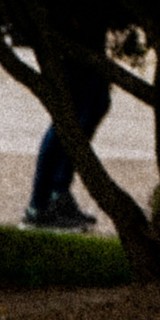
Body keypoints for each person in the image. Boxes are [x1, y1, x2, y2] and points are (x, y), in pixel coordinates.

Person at [22, 51, 113, 234]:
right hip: (70, 46)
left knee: (94, 105)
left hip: (87, 43)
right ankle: (40, 204)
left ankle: (58, 192)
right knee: (69, 118)